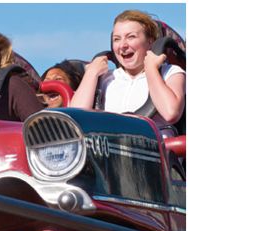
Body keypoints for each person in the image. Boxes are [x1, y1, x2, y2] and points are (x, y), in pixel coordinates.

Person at [70, 10, 186, 138]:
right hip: (112, 151)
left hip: (155, 152)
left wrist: (151, 69)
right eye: (117, 39)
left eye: (131, 37)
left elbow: (171, 113)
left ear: (150, 43)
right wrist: (91, 73)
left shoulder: (170, 72)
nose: (123, 45)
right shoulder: (104, 78)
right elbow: (74, 120)